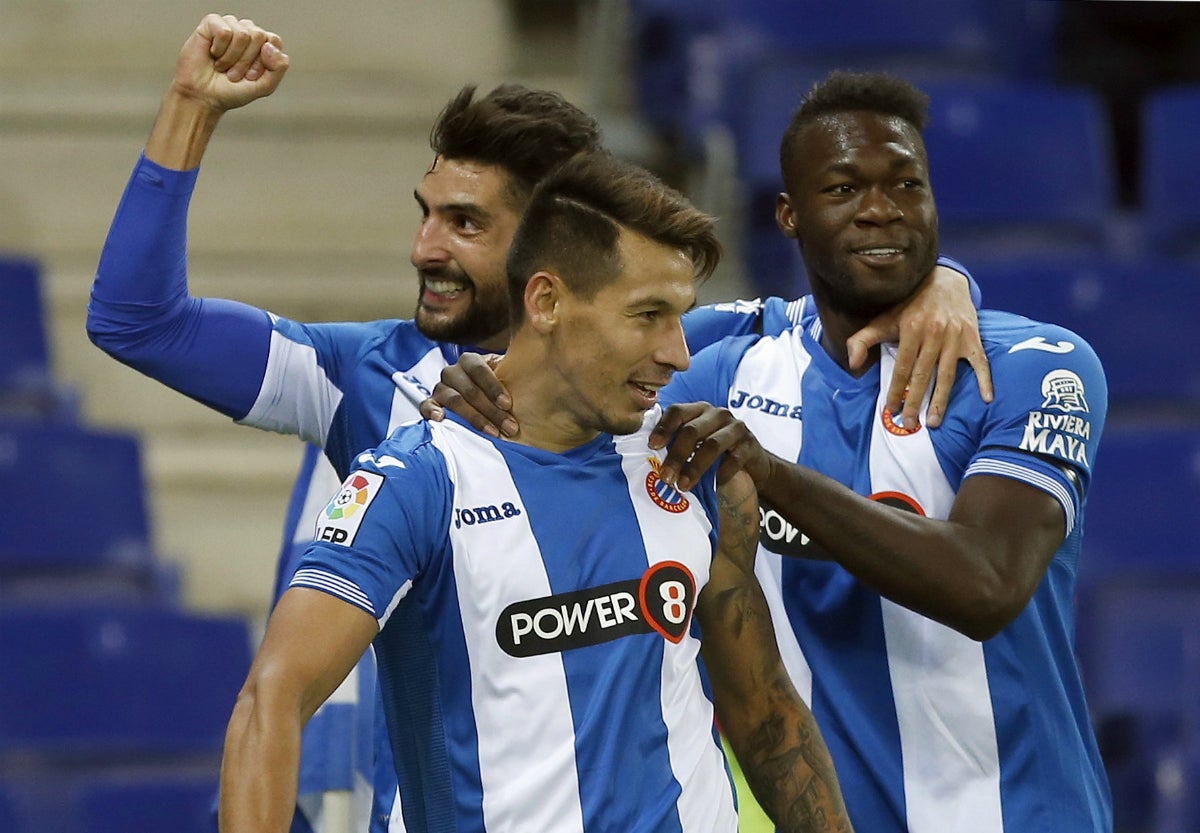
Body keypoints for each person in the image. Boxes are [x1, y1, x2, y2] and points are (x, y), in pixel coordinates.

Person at [87, 14, 985, 832]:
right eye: (427, 216)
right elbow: (136, 320)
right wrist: (191, 107)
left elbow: (848, 301)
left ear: (546, 244)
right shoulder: (370, 385)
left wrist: (947, 284)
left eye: (464, 223)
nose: (424, 248)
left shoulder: (668, 366)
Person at [435, 70, 1113, 833]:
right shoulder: (733, 363)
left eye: (906, 184)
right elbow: (575, 359)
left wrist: (772, 474)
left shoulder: (1036, 367)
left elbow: (986, 585)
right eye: (845, 188)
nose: (882, 208)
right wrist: (478, 380)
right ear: (789, 215)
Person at [219, 149, 855, 833]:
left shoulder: (693, 466)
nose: (677, 352)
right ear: (547, 302)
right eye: (648, 315)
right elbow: (271, 701)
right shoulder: (419, 483)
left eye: (680, 316)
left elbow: (765, 711)